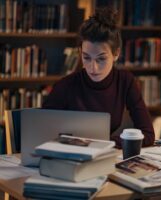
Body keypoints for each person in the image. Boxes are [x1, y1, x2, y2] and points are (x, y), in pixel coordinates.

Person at [42, 8, 154, 148]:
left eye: (101, 59)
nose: (92, 68)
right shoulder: (65, 86)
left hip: (104, 155)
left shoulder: (125, 81)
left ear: (116, 54)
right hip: (69, 156)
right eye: (86, 58)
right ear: (80, 52)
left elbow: (148, 134)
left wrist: (107, 144)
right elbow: (42, 134)